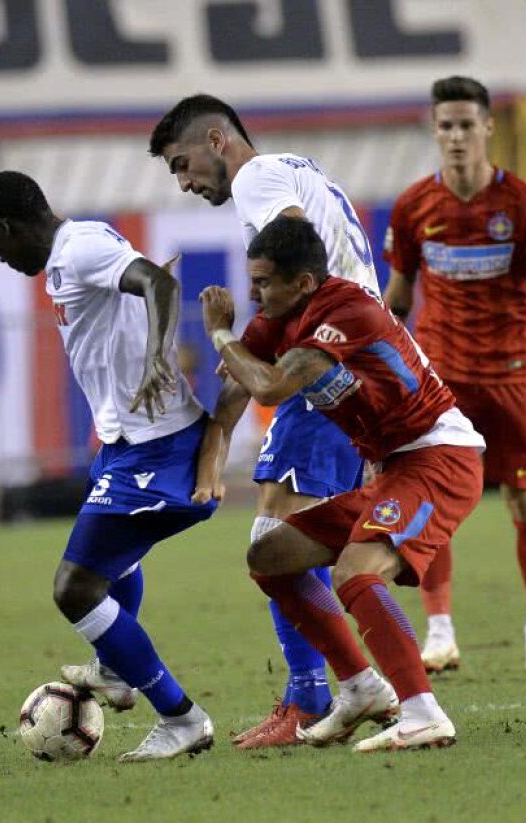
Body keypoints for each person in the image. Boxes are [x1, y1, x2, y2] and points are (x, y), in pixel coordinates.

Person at [198, 215, 486, 751]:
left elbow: (269, 387)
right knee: (270, 556)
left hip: (439, 459)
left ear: (303, 283)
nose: (252, 293)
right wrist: (211, 459)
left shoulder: (347, 311)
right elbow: (242, 380)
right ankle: (359, 687)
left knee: (356, 569)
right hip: (394, 467)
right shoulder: (278, 318)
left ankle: (423, 713)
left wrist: (219, 333)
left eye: (263, 282)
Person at [149, 95, 379, 748]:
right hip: (352, 361)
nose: (184, 182)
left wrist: (244, 342)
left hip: (330, 369)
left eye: (183, 163)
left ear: (216, 141)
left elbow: (300, 255)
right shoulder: (293, 168)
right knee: (303, 543)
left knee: (276, 540)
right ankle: (363, 686)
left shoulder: (256, 179)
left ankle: (327, 693)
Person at [0, 171, 218, 762]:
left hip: (157, 445)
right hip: (124, 442)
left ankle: (182, 718)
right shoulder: (65, 259)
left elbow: (159, 282)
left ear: (6, 226)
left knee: (75, 588)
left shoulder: (80, 247)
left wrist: (158, 356)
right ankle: (113, 667)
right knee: (114, 562)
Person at [382, 76, 526, 674]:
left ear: (488, 128)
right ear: (434, 131)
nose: (456, 136)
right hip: (439, 380)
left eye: (466, 125)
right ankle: (439, 630)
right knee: (433, 498)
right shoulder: (414, 206)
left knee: (524, 500)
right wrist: (380, 372)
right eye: (446, 126)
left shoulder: (518, 201)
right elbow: (397, 298)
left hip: (509, 374)